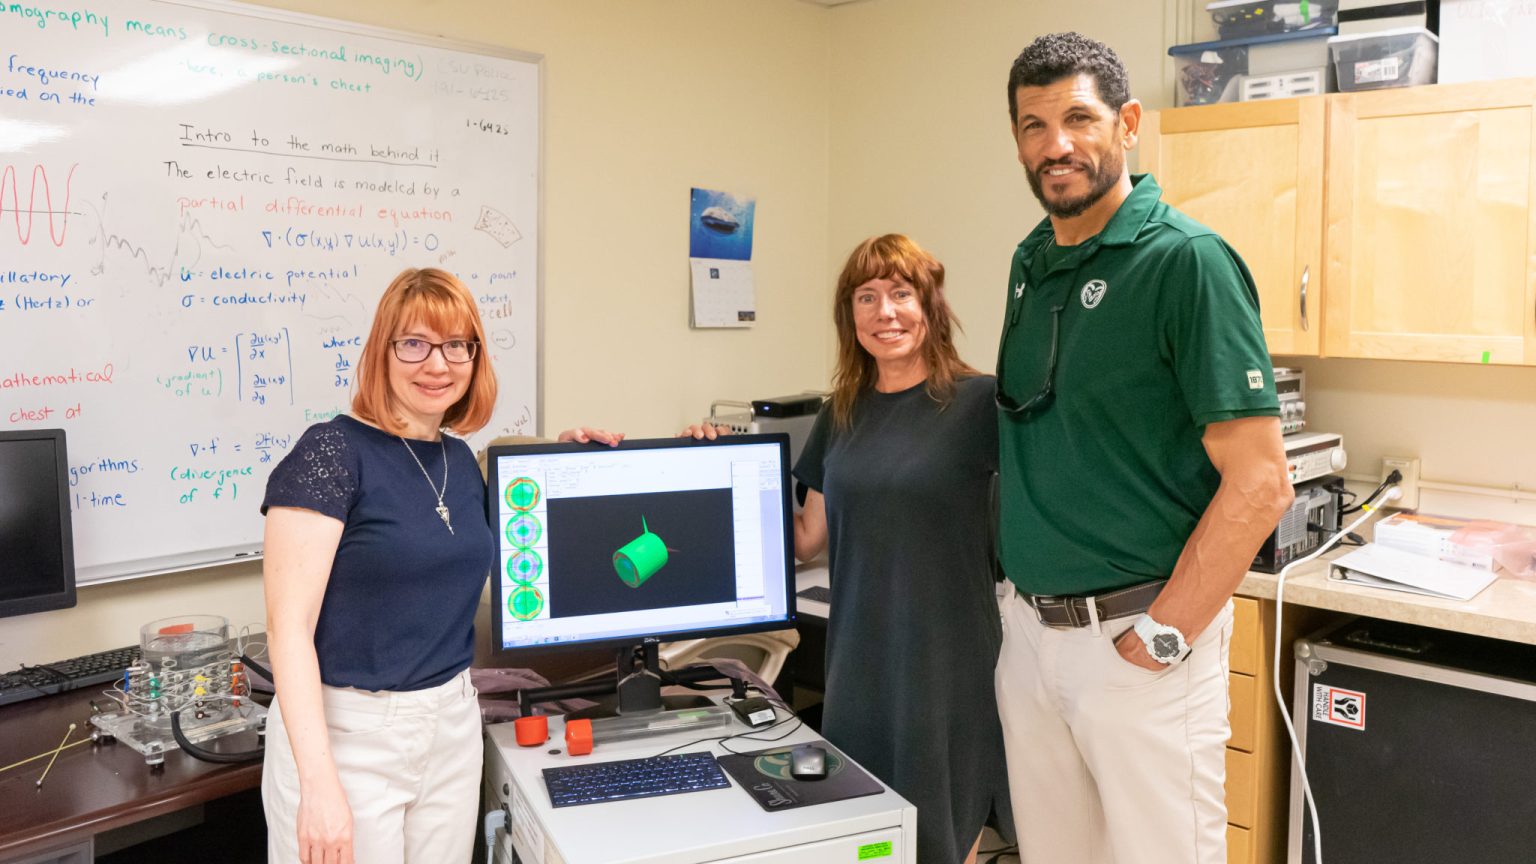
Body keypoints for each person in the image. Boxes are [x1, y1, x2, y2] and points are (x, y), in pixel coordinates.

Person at [992, 33, 1294, 864]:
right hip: (1030, 640)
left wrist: (1165, 636)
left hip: (1139, 643)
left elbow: (1262, 483)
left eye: (1078, 118)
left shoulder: (1187, 263)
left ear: (1127, 124)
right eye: (1033, 125)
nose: (1056, 145)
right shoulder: (1031, 260)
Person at [261, 267, 619, 864]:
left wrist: (563, 459)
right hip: (348, 736)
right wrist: (318, 785)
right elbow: (286, 630)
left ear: (474, 358)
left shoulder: (457, 458)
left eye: (457, 345)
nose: (437, 364)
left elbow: (501, 530)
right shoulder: (330, 452)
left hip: (452, 726)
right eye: (414, 343)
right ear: (383, 351)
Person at [688, 234, 1010, 864]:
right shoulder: (844, 412)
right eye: (867, 297)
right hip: (860, 658)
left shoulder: (980, 403)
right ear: (850, 315)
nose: (884, 312)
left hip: (946, 661)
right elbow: (806, 538)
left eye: (901, 293)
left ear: (931, 305)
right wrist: (721, 467)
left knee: (940, 835)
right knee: (862, 830)